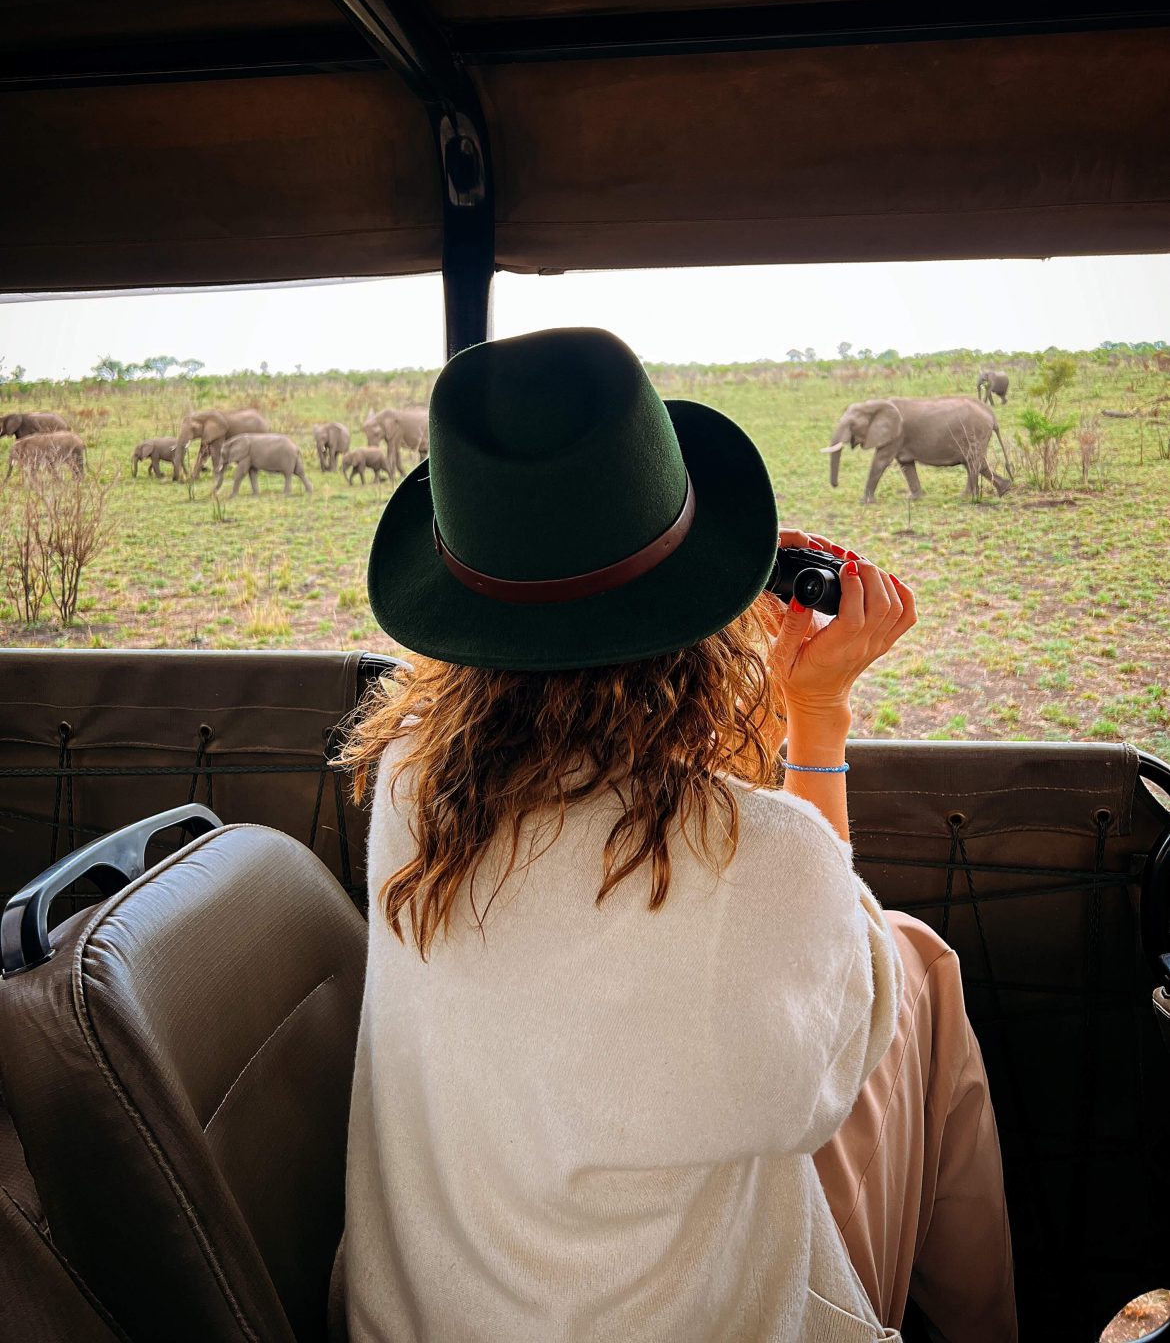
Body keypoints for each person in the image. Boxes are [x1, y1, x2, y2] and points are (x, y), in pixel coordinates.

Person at [333, 327, 1016, 1342]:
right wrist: (813, 713)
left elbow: (629, 840)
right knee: (918, 967)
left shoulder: (411, 782)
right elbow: (842, 1034)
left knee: (909, 961)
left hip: (417, 1314)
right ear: (706, 604)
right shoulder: (758, 861)